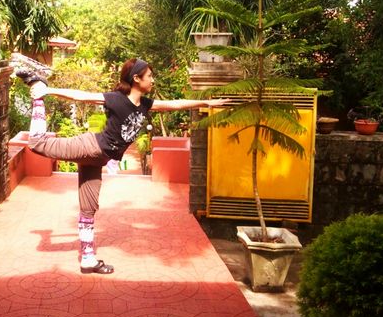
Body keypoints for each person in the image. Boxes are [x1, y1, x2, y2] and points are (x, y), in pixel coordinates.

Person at [16, 58, 228, 274]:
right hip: (91, 147)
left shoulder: (145, 104)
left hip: (97, 159)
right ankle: (37, 92)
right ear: (136, 78)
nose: (153, 80)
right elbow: (82, 95)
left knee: (88, 208)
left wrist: (206, 104)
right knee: (37, 143)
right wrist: (48, 91)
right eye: (149, 76)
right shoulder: (116, 99)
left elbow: (175, 104)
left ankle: (88, 260)